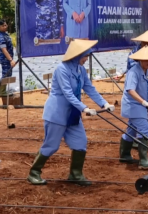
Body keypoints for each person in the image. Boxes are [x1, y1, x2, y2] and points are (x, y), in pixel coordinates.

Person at [27, 39, 112, 185]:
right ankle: (34, 172)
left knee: (80, 142)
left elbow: (89, 87)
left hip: (72, 113)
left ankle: (75, 174)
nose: (87, 59)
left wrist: (104, 103)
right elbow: (68, 93)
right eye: (86, 56)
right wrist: (84, 108)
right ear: (78, 55)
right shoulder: (62, 69)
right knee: (51, 145)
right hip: (57, 113)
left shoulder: (80, 70)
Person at [0, 20, 15, 97]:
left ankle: (3, 91)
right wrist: (10, 60)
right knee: (5, 74)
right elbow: (4, 49)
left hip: (8, 58)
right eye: (3, 26)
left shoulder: (6, 34)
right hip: (5, 59)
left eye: (6, 25)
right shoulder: (1, 37)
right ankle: (1, 91)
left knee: (8, 74)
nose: (5, 26)